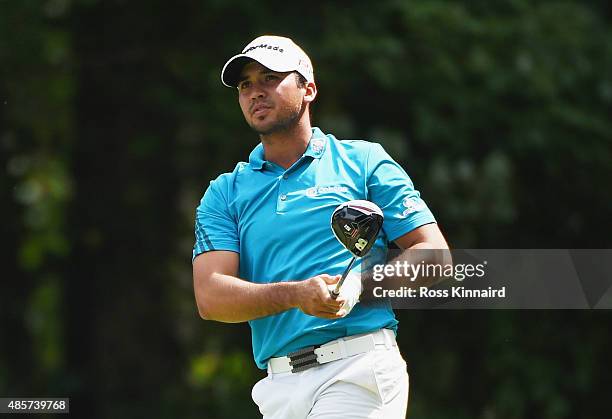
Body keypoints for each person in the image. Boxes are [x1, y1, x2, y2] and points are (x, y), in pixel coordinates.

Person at [192, 35, 449, 419]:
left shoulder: (362, 161)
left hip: (357, 367)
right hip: (278, 387)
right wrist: (296, 294)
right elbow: (211, 297)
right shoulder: (225, 192)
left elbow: (433, 256)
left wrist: (358, 285)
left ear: (308, 89)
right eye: (246, 85)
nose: (255, 92)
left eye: (269, 78)